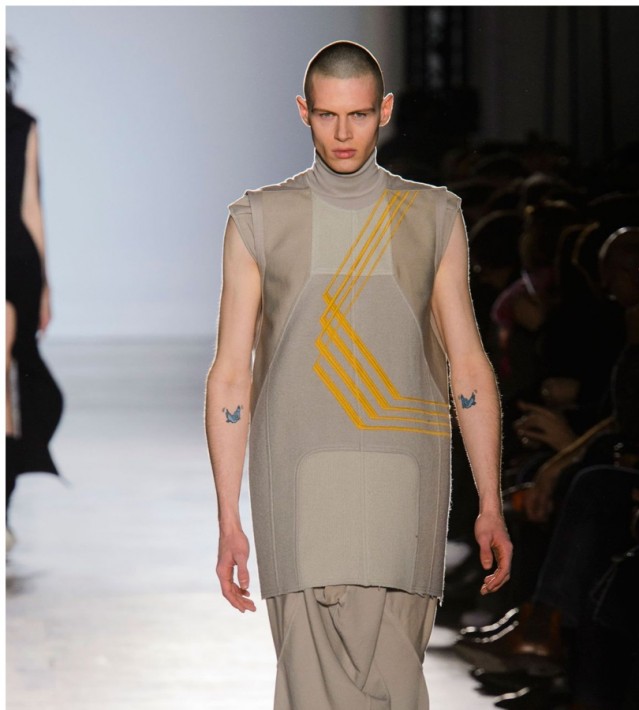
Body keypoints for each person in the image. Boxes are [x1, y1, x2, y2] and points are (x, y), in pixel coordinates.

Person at [205, 41, 512, 709]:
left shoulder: (434, 216)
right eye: (328, 115)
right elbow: (230, 375)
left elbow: (468, 364)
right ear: (304, 112)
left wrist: (491, 500)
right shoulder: (257, 220)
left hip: (405, 480)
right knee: (321, 686)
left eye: (359, 115)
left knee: (388, 680)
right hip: (298, 481)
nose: (343, 133)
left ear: (386, 111)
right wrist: (228, 517)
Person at [5, 46, 63, 550]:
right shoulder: (22, 123)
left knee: (4, 379)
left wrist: (42, 284)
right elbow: (29, 206)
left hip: (13, 261)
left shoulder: (22, 123)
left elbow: (29, 204)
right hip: (17, 257)